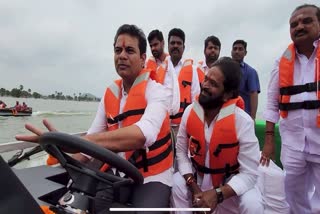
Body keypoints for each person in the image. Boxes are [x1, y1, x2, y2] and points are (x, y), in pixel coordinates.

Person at [16, 24, 174, 213]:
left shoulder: (158, 92)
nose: (122, 55)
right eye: (118, 50)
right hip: (118, 172)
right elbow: (87, 148)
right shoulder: (109, 94)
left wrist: (77, 142)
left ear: (142, 59)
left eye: (129, 50)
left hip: (153, 175)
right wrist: (58, 148)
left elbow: (142, 134)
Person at [172, 57, 264, 213]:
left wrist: (217, 194)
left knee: (252, 203)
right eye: (206, 79)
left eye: (213, 84)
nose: (205, 85)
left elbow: (249, 173)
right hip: (197, 180)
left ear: (227, 94)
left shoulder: (243, 122)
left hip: (228, 186)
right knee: (176, 183)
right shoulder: (189, 113)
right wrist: (193, 186)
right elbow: (181, 153)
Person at [262, 4, 320, 214]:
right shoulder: (281, 63)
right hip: (293, 144)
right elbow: (271, 103)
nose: (299, 27)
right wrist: (269, 141)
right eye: (294, 24)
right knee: (292, 195)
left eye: (307, 21)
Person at [167, 28, 200, 136]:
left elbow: (196, 99)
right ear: (168, 46)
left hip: (183, 126)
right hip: (163, 125)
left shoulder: (192, 70)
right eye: (172, 43)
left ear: (183, 47)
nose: (175, 46)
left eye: (179, 43)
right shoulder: (160, 69)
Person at [146, 29, 180, 117]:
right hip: (156, 115)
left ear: (163, 43)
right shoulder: (147, 66)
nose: (153, 48)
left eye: (155, 44)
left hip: (175, 116)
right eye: (151, 46)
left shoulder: (173, 63)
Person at [231, 40, 260, 120]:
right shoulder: (223, 69)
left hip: (243, 116)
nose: (237, 51)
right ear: (231, 51)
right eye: (235, 49)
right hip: (225, 115)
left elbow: (253, 94)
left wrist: (252, 118)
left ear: (245, 53)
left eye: (240, 49)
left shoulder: (251, 72)